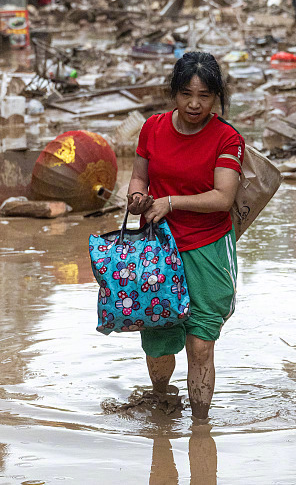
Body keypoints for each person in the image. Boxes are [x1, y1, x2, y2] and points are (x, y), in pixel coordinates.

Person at [126, 51, 244, 422]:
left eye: (205, 96)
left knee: (200, 342)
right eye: (187, 94)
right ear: (174, 93)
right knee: (158, 340)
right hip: (156, 249)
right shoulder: (153, 128)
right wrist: (136, 197)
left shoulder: (227, 138)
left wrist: (171, 203)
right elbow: (139, 177)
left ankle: (200, 428)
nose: (195, 104)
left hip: (207, 249)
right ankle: (161, 405)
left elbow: (223, 198)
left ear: (217, 97)